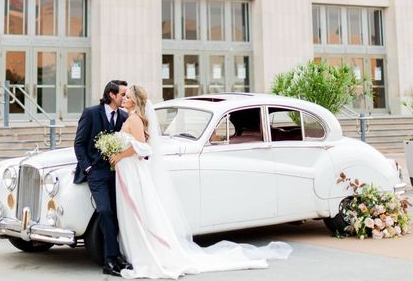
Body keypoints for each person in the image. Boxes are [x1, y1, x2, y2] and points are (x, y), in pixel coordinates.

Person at [110, 85, 292, 280]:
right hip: (127, 172)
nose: (123, 99)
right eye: (124, 96)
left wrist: (119, 155)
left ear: (136, 101)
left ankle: (148, 251)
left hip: (131, 171)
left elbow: (143, 148)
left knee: (140, 212)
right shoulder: (131, 118)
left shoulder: (135, 119)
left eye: (127, 97)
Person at [73, 80, 133, 277]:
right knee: (105, 211)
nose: (125, 98)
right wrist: (88, 167)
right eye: (122, 94)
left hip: (117, 172)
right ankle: (111, 258)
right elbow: (79, 144)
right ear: (111, 95)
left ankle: (113, 258)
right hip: (96, 173)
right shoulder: (91, 113)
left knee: (116, 213)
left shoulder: (124, 116)